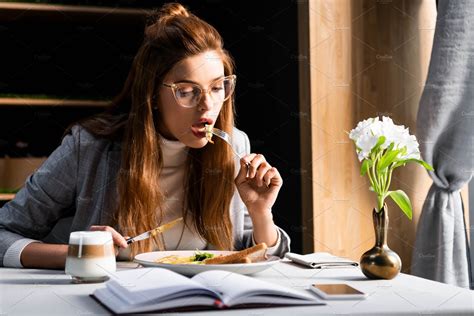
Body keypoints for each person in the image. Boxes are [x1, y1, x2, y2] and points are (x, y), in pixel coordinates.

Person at [0, 2, 290, 269]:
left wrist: (260, 212)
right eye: (187, 91)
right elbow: (4, 233)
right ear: (152, 94)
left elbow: (255, 252)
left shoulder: (234, 146)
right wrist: (78, 254)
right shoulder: (88, 147)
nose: (208, 106)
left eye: (217, 88)